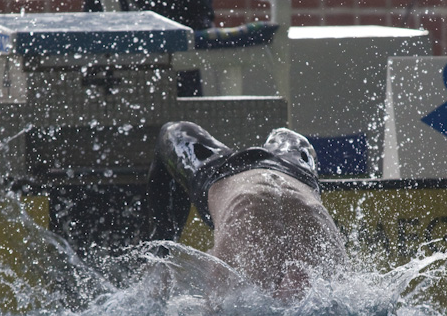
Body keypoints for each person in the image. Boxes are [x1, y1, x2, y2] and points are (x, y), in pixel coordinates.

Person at [145, 121, 349, 300]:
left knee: (171, 132)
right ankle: (159, 262)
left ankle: (159, 263)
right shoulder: (321, 262)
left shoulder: (245, 246)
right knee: (171, 132)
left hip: (282, 179)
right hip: (273, 180)